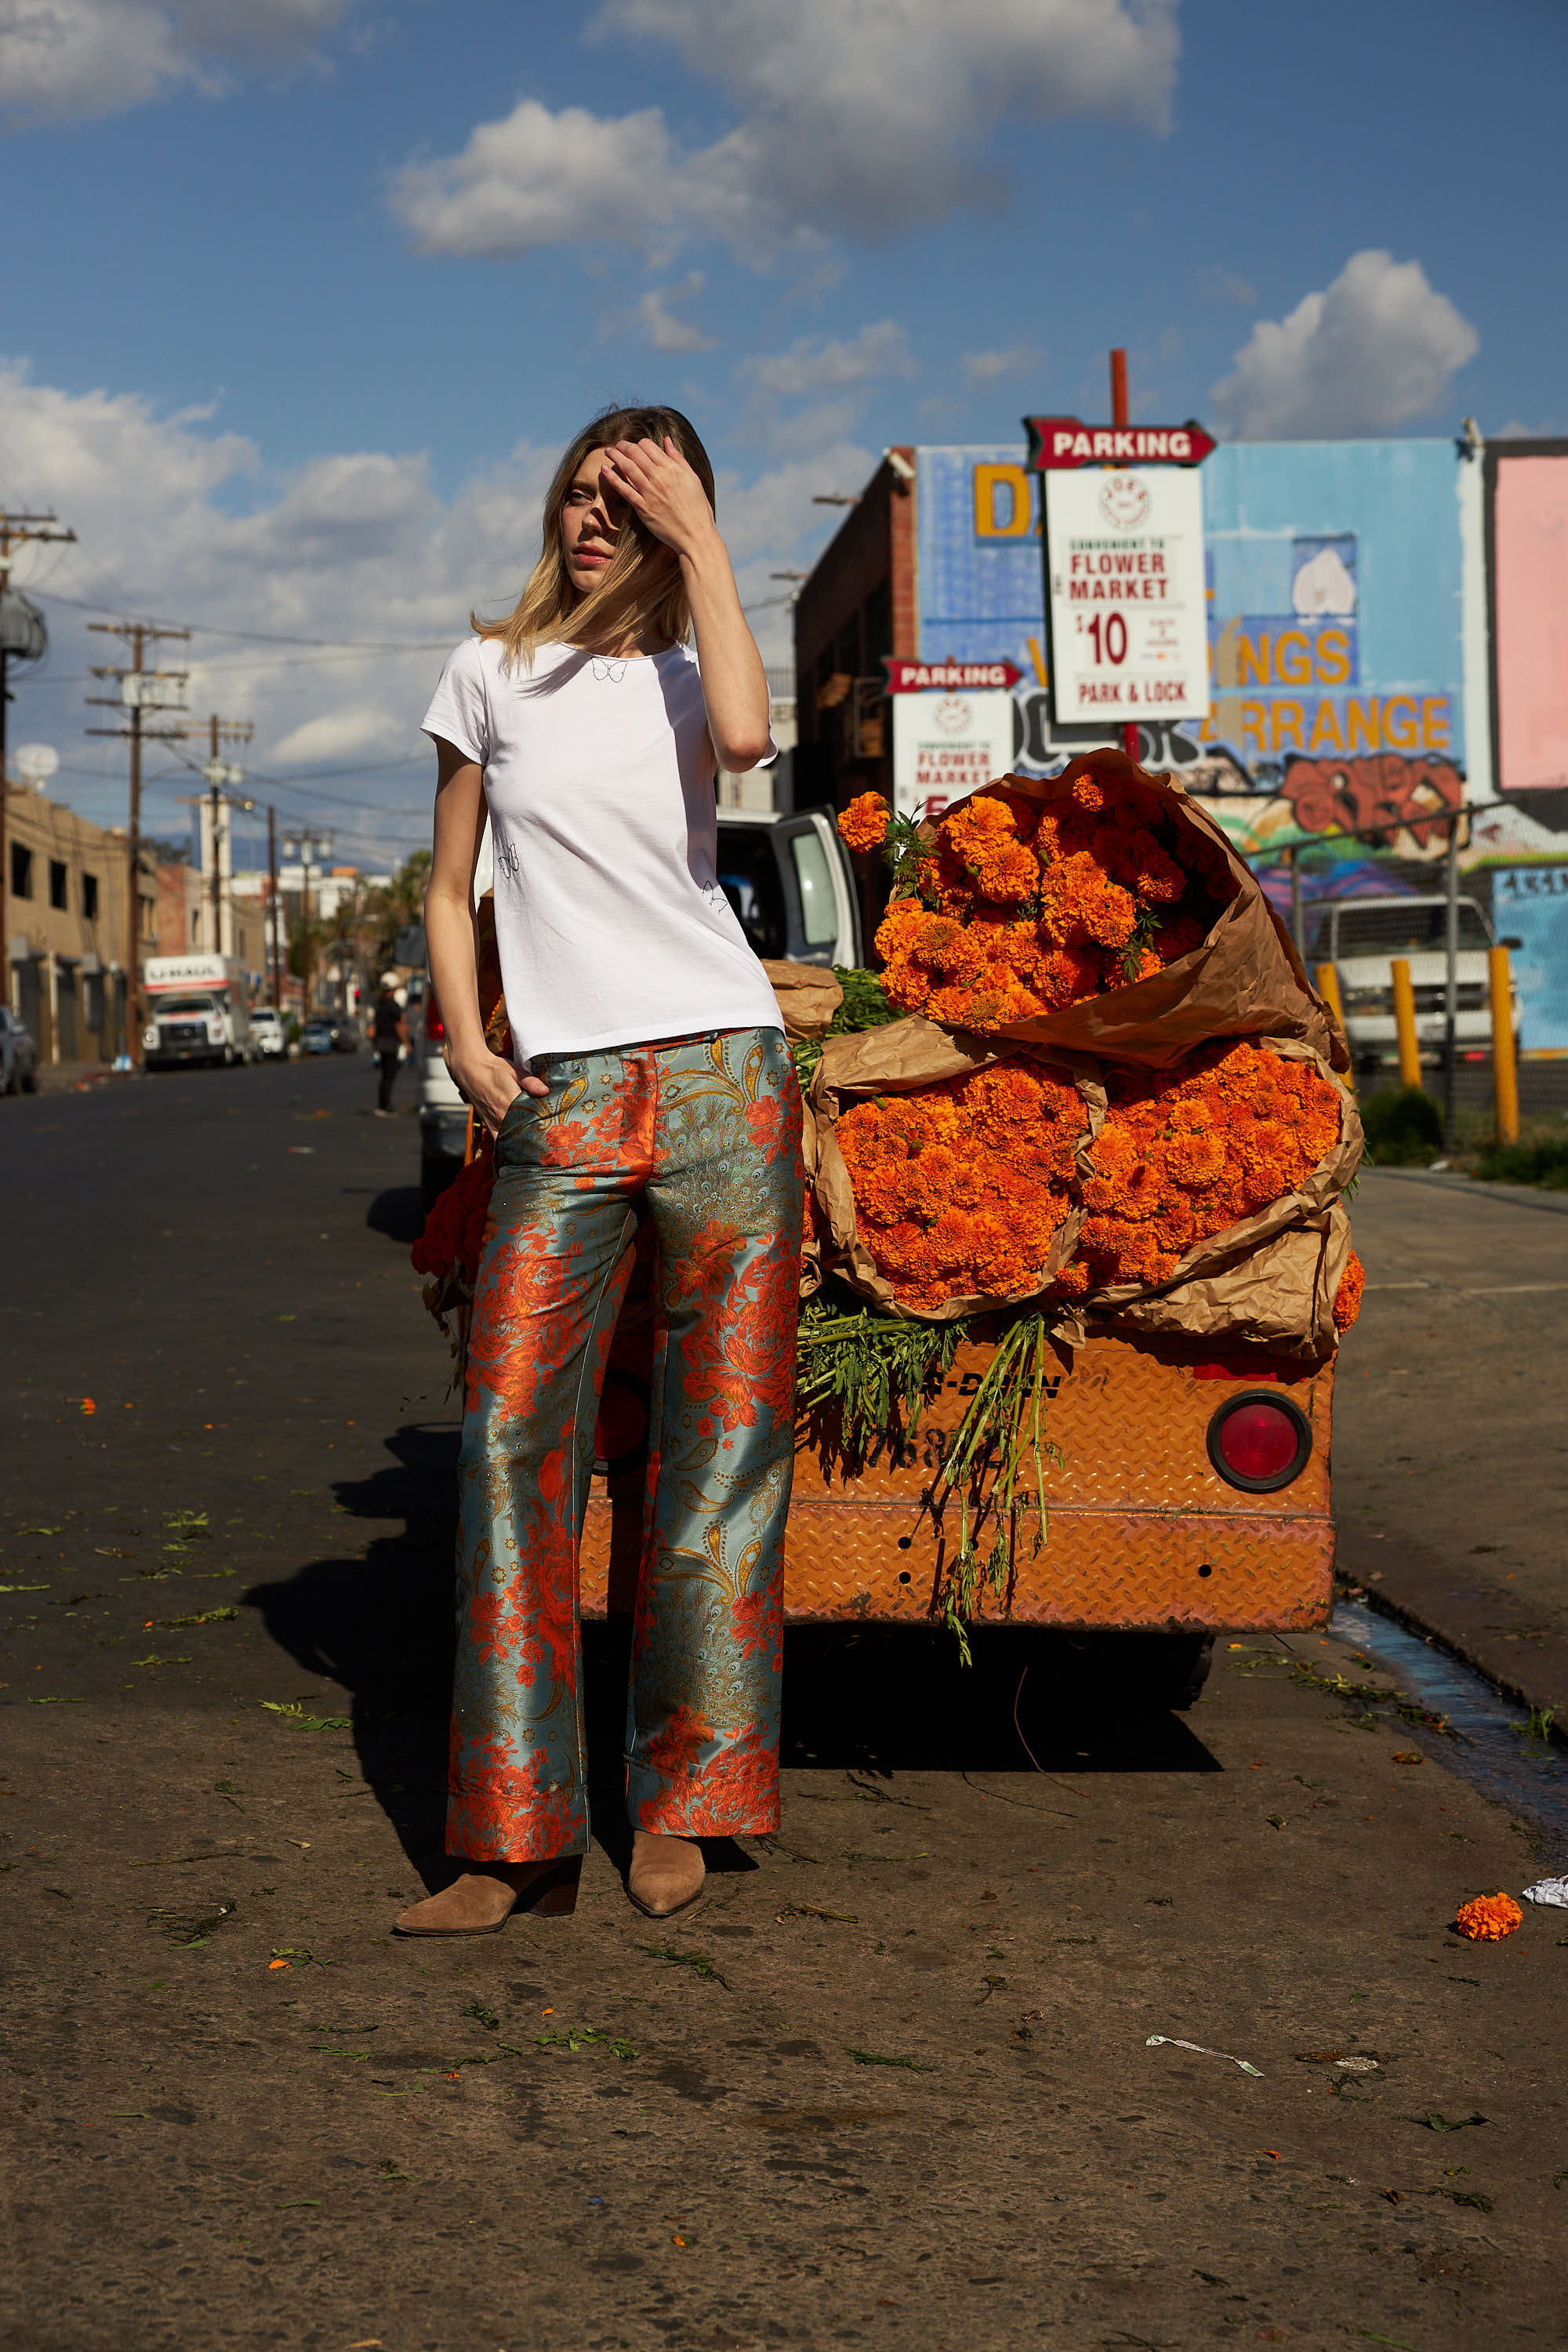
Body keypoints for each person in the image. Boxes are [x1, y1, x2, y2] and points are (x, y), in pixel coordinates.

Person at [395, 403, 801, 1937]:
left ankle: (684, 1802)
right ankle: (510, 1834)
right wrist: (463, 1042)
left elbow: (755, 750)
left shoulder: (700, 665)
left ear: (677, 516)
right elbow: (450, 884)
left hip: (721, 1079)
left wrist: (701, 538)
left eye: (626, 499)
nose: (592, 518)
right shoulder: (486, 671)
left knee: (716, 1454)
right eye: (579, 490)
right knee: (507, 1438)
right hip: (562, 1091)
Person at [371, 977, 407, 1113]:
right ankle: (385, 1105)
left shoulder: (379, 1004)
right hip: (391, 1044)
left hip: (380, 1043)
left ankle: (383, 1103)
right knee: (389, 1075)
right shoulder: (393, 1006)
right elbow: (399, 1026)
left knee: (385, 1075)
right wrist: (406, 1043)